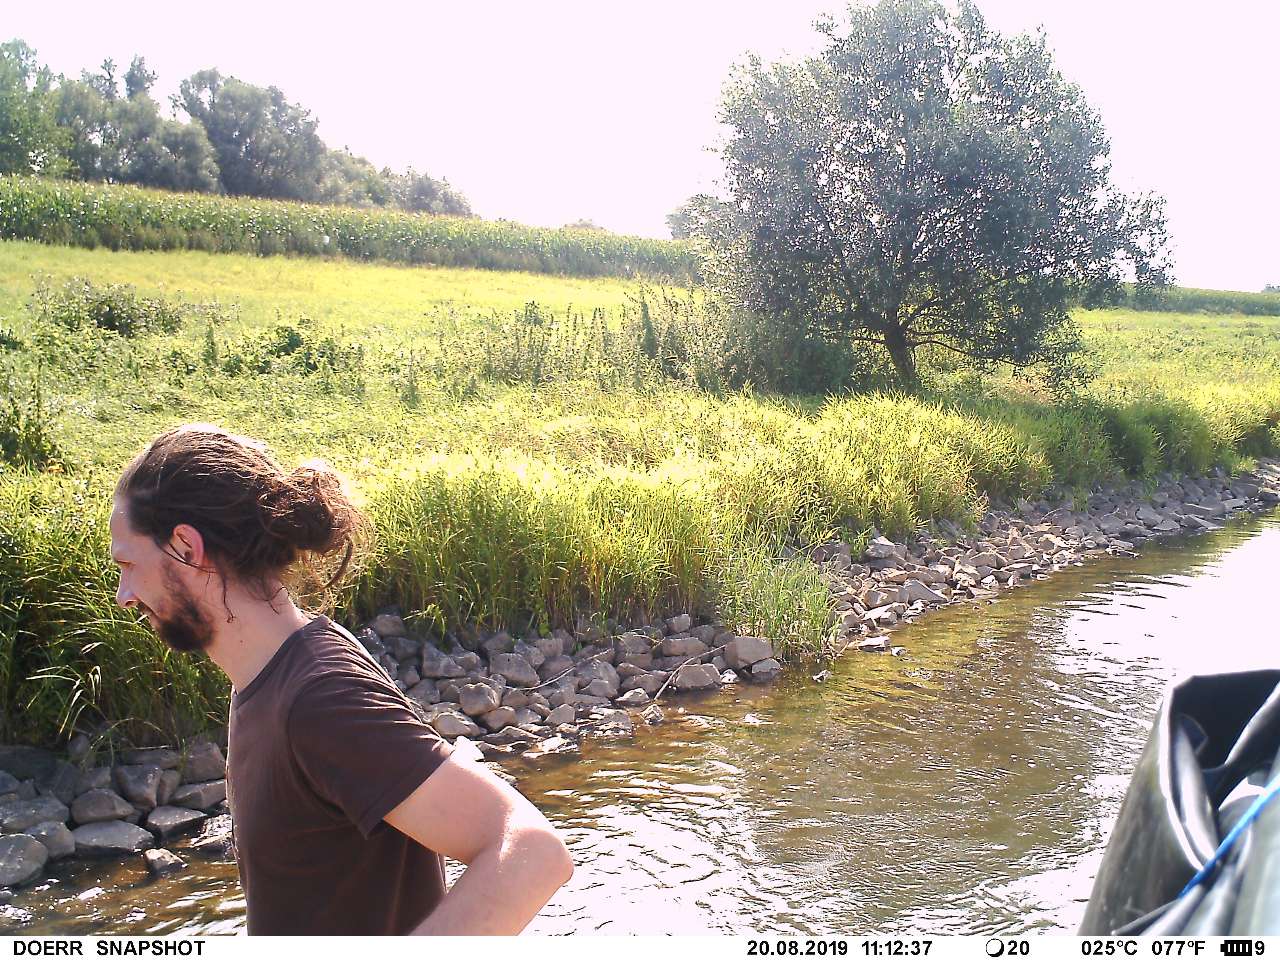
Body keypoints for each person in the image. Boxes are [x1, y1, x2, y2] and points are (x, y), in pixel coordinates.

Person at [109, 423, 574, 935]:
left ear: (185, 546)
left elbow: (531, 852)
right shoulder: (270, 678)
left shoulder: (319, 697)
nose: (124, 595)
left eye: (128, 564)